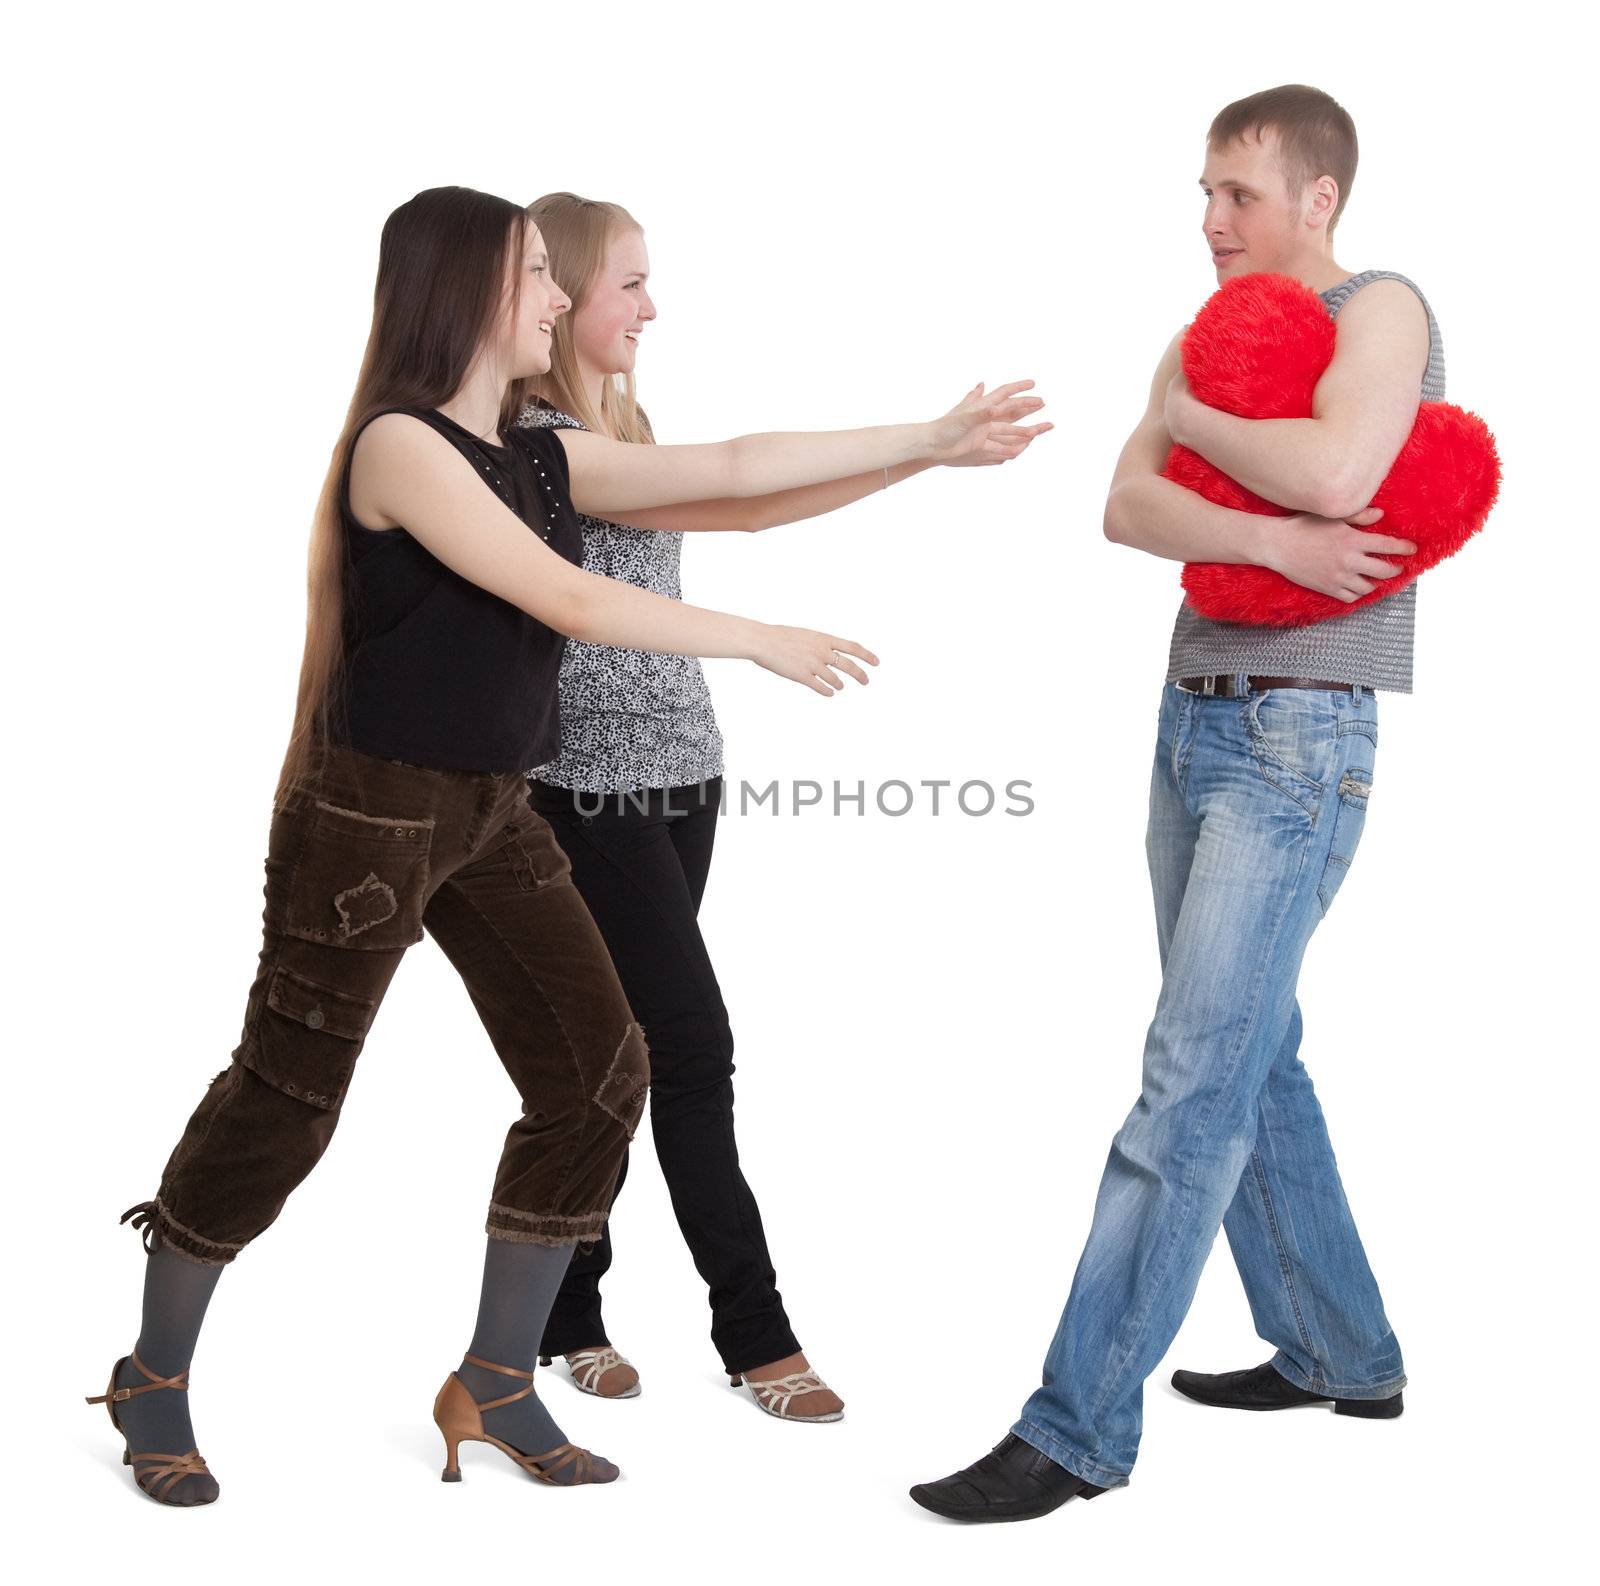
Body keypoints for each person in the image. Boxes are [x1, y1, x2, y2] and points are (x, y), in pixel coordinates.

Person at [83, 184, 1038, 1506]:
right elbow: (566, 594)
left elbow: (736, 470)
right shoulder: (399, 448)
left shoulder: (546, 455)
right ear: (473, 290)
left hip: (493, 807)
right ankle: (153, 1374)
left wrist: (933, 436)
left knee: (601, 1073)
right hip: (368, 814)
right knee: (289, 1098)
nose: (556, 295)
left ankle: (500, 1373)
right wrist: (760, 640)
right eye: (538, 274)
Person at [912, 84, 1440, 1522]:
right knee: (1251, 1059)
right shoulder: (1204, 343)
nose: (1211, 223)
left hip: (1298, 731)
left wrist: (1200, 427)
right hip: (1189, 722)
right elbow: (1126, 506)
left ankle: (1074, 1427)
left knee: (1190, 1080)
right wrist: (1268, 516)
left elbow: (1348, 466)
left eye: (1239, 196)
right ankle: (1344, 1350)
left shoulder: (1380, 311)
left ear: (1318, 198)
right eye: (1203, 195)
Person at [514, 192, 1051, 1422]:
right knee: (681, 1049)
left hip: (681, 775)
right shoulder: (538, 444)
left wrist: (922, 456)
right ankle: (753, 1334)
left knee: (620, 1052)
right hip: (576, 793)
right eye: (629, 284)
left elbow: (749, 503)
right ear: (563, 298)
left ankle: (564, 1306)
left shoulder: (624, 423)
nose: (652, 306)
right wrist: (920, 428)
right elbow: (744, 473)